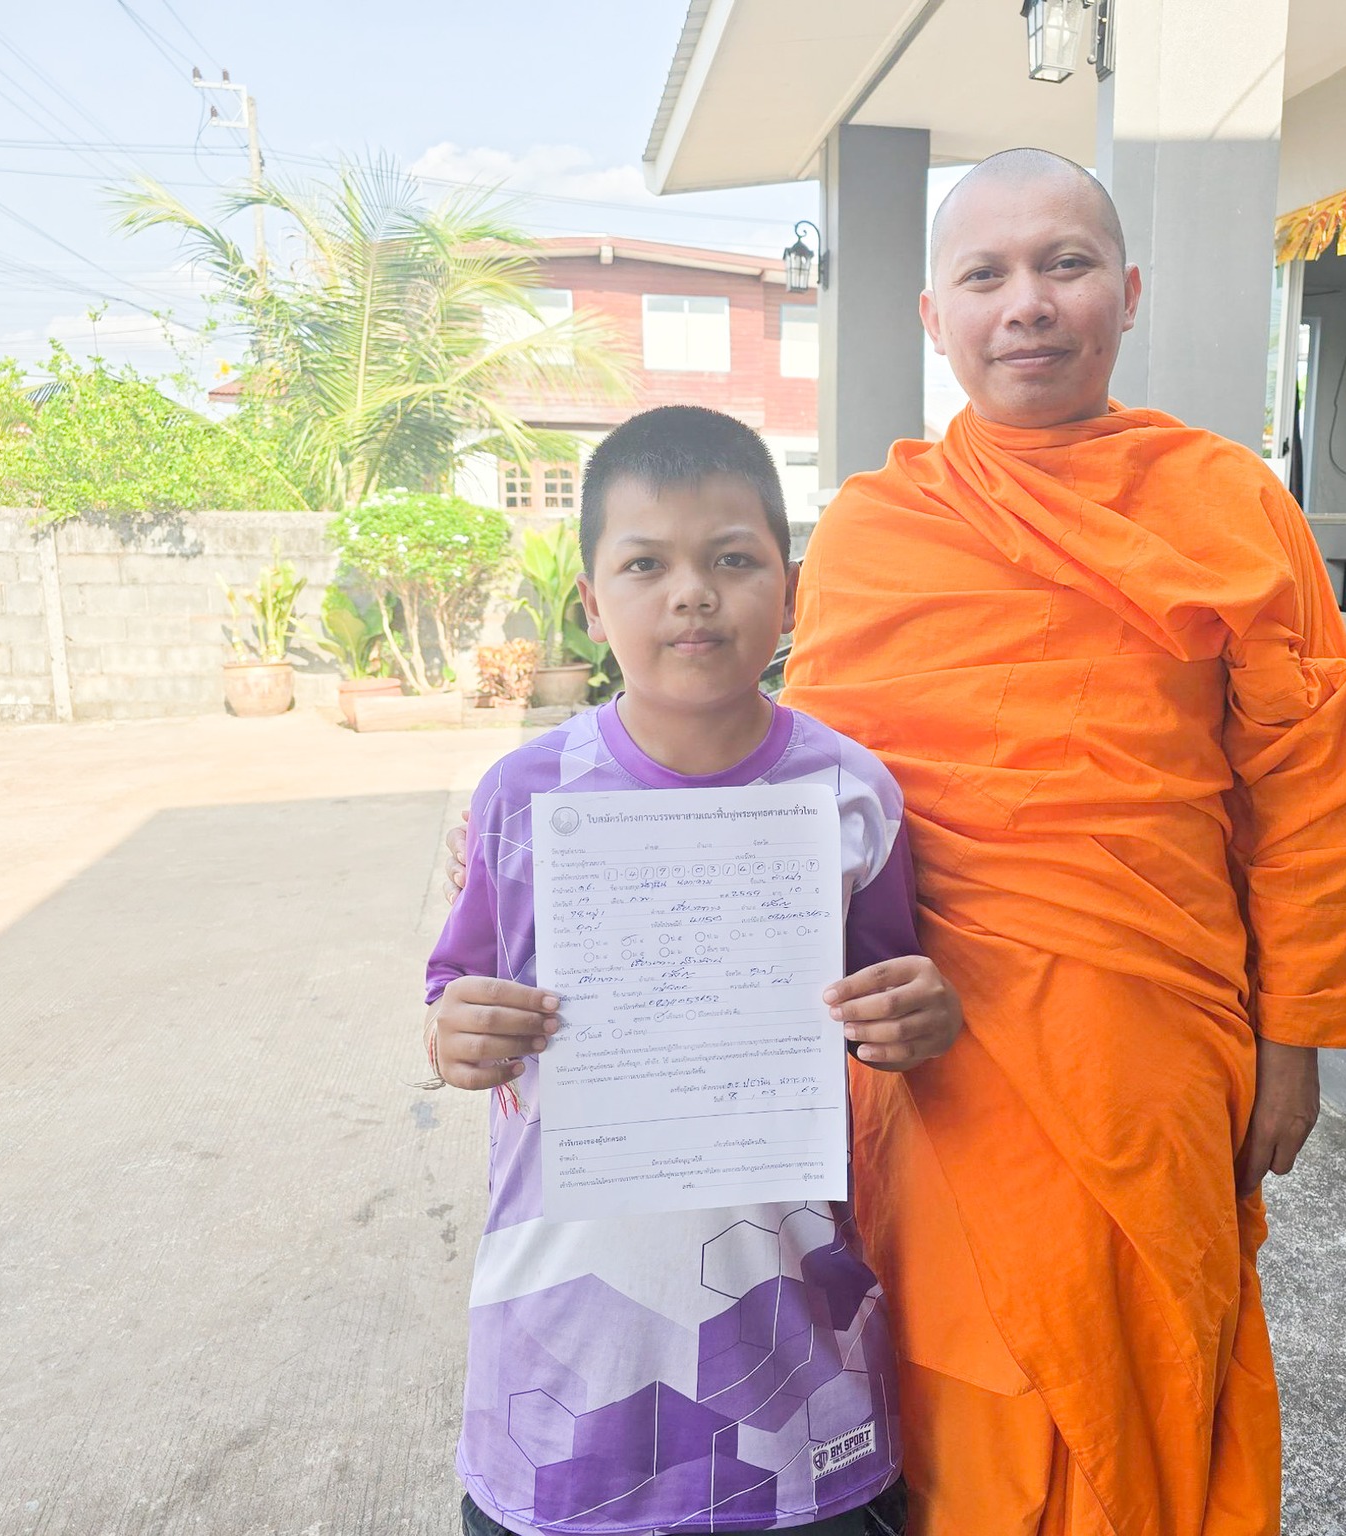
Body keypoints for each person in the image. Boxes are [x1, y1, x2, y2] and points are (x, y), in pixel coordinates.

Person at [450, 152, 1346, 1535]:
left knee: (1134, 1360)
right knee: (948, 1383)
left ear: (1127, 295)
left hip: (1142, 1047)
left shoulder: (1228, 506)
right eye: (985, 275)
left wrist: (1297, 1038)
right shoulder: (880, 532)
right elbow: (776, 808)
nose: (1026, 305)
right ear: (930, 318)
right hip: (917, 1052)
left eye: (1065, 266)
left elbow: (1315, 786)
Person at [424, 405, 962, 1536]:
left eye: (731, 558)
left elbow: (882, 1010)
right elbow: (455, 1001)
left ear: (790, 585)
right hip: (564, 1367)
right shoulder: (522, 800)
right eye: (644, 563)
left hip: (794, 1378)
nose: (691, 592)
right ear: (590, 599)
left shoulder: (852, 794)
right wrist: (454, 1035)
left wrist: (916, 1015)